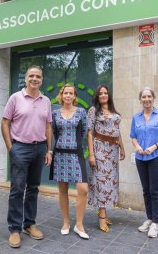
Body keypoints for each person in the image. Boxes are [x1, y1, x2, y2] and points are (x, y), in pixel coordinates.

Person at [1, 65, 52, 248]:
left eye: (38, 76)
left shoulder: (46, 100)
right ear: (26, 78)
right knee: (17, 189)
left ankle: (29, 224)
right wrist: (10, 148)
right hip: (20, 148)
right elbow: (5, 123)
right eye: (31, 75)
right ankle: (14, 229)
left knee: (33, 188)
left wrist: (49, 150)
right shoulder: (15, 98)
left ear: (41, 79)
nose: (34, 79)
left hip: (39, 149)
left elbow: (48, 127)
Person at [130, 87, 158, 238]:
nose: (146, 99)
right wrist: (137, 147)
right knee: (146, 190)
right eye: (143, 97)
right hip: (141, 158)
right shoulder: (136, 117)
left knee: (155, 190)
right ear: (140, 100)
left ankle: (155, 223)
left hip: (157, 158)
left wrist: (155, 146)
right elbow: (133, 136)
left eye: (149, 96)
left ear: (153, 98)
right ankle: (149, 218)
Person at [49, 84, 89, 239]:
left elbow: (84, 131)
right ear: (61, 95)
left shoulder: (81, 112)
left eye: (71, 93)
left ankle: (79, 224)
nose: (68, 95)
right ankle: (66, 222)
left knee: (83, 189)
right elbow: (53, 132)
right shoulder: (55, 113)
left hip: (76, 154)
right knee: (63, 190)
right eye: (66, 93)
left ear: (74, 96)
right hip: (60, 155)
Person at [87, 85, 125, 233]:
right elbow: (90, 133)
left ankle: (104, 212)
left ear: (109, 95)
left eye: (105, 93)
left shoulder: (114, 112)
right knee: (101, 182)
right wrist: (91, 154)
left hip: (113, 150)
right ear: (97, 96)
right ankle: (101, 216)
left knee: (110, 182)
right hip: (100, 150)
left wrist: (122, 147)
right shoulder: (93, 111)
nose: (103, 95)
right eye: (100, 93)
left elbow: (117, 131)